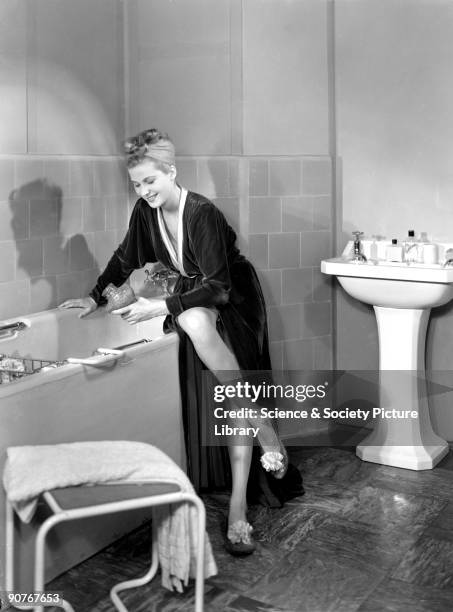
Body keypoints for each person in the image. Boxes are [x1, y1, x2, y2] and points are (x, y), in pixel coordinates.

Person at [60, 128, 303, 555]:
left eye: (150, 181)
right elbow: (126, 256)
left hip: (232, 299)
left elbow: (219, 288)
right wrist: (96, 295)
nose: (144, 191)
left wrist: (160, 309)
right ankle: (262, 427)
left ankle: (238, 509)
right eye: (137, 184)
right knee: (191, 321)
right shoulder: (144, 210)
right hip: (193, 300)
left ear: (171, 171)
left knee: (195, 325)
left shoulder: (201, 213)